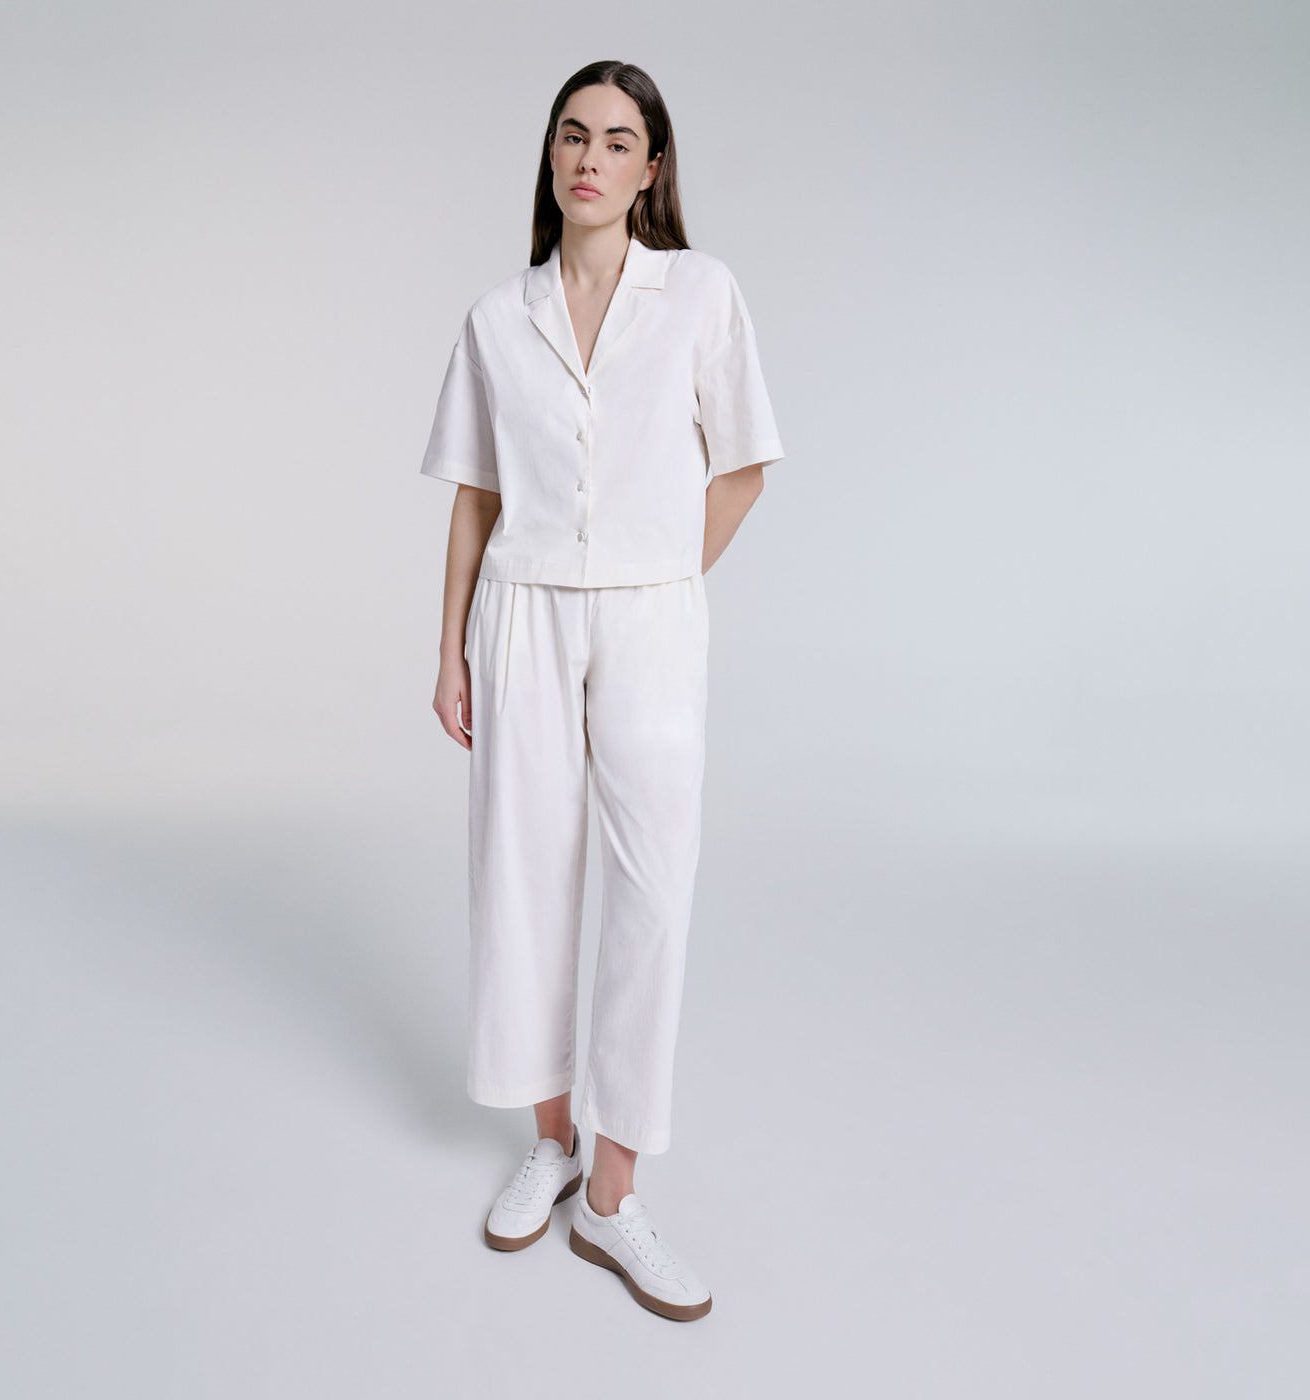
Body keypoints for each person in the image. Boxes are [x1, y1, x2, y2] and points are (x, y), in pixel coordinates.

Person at [419, 59, 784, 1322]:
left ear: (650, 168)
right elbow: (475, 495)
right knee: (521, 873)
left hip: (648, 617)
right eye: (573, 135)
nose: (590, 157)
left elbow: (742, 466)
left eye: (618, 141)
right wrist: (449, 648)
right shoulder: (495, 316)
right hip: (519, 612)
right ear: (551, 156)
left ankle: (613, 1195)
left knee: (650, 884)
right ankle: (553, 1135)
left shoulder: (700, 294)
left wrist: (659, 577)